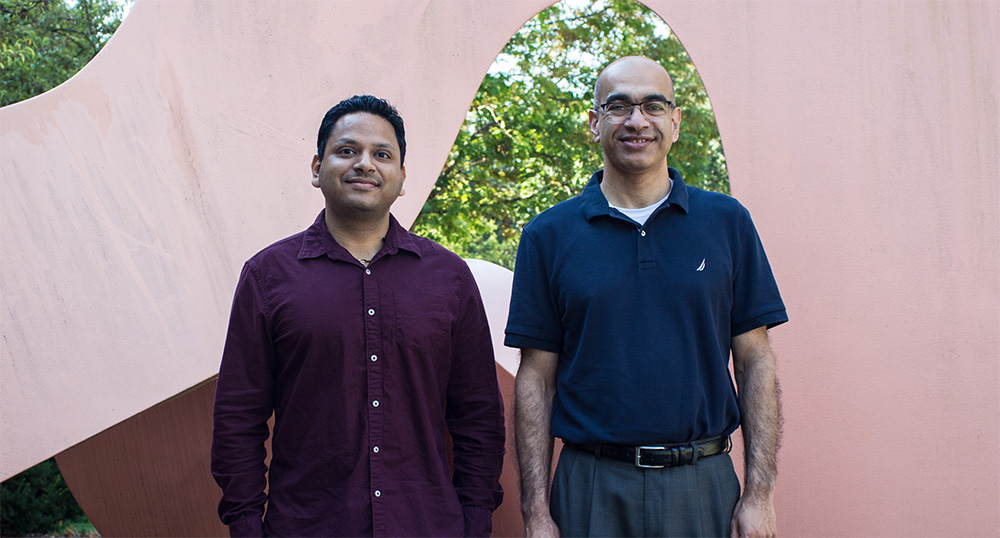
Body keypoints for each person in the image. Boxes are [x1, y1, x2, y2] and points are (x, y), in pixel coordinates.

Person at [506, 56, 788, 538]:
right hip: (590, 485)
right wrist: (536, 513)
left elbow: (755, 361)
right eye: (619, 106)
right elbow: (536, 380)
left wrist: (760, 495)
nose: (637, 121)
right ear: (595, 123)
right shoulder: (547, 236)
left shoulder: (727, 223)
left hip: (702, 484)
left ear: (675, 121)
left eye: (653, 105)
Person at [211, 95, 505, 537]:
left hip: (427, 525)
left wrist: (476, 519)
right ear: (317, 168)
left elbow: (478, 413)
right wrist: (247, 525)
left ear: (401, 178)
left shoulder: (449, 279)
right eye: (347, 151)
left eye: (382, 154)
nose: (365, 164)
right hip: (307, 526)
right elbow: (238, 415)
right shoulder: (267, 277)